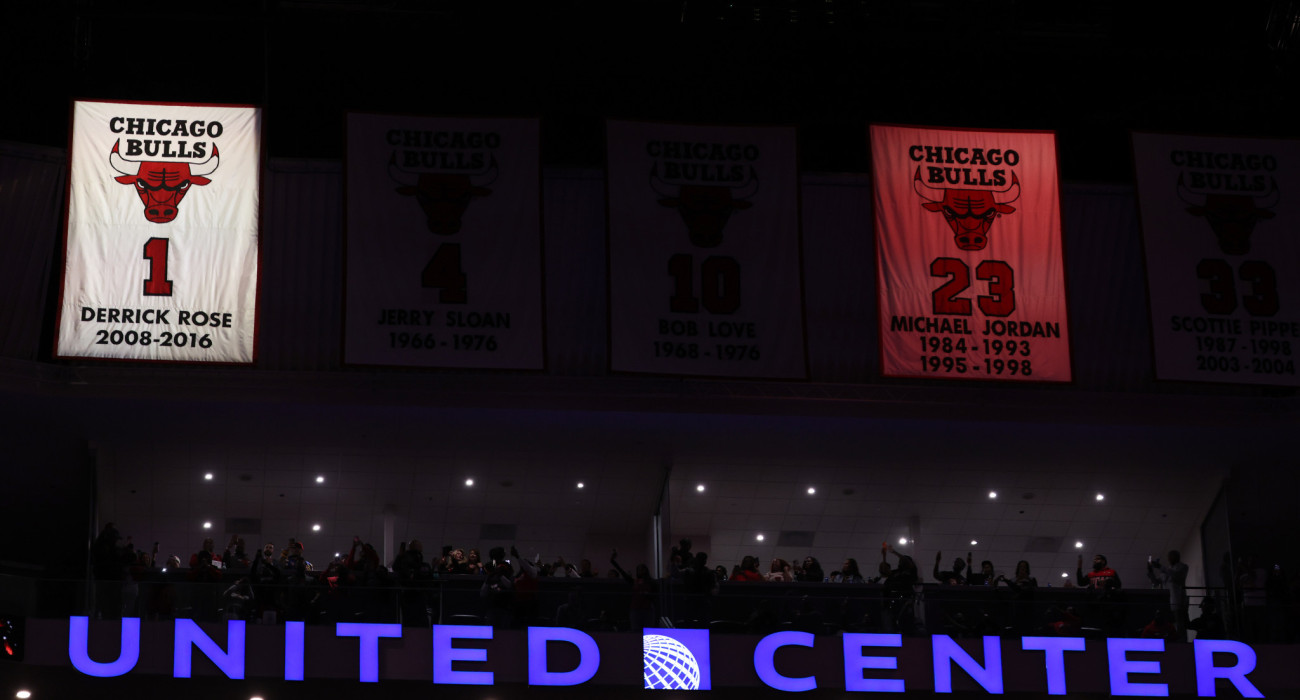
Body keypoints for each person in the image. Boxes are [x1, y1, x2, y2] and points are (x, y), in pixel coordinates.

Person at [1147, 550, 1188, 640]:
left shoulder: (1183, 567)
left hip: (1178, 601)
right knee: (1168, 624)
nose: (1169, 559)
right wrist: (1150, 572)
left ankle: (1182, 642)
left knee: (1180, 625)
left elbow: (1176, 575)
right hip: (1167, 602)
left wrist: (1160, 567)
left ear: (1177, 557)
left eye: (1171, 557)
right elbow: (1156, 582)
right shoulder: (1167, 570)